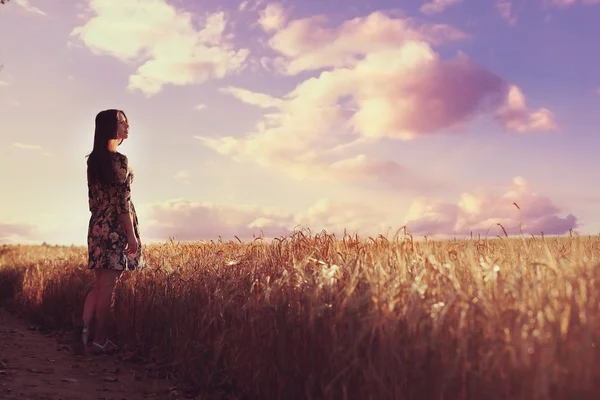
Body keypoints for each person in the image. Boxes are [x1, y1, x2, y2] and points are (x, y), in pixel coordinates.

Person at [77, 109, 143, 355]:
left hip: (96, 227)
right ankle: (99, 341)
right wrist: (131, 235)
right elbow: (122, 203)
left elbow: (96, 200)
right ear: (110, 128)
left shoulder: (93, 160)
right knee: (108, 289)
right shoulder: (119, 161)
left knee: (99, 285)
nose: (127, 126)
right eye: (122, 122)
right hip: (115, 229)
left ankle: (85, 334)